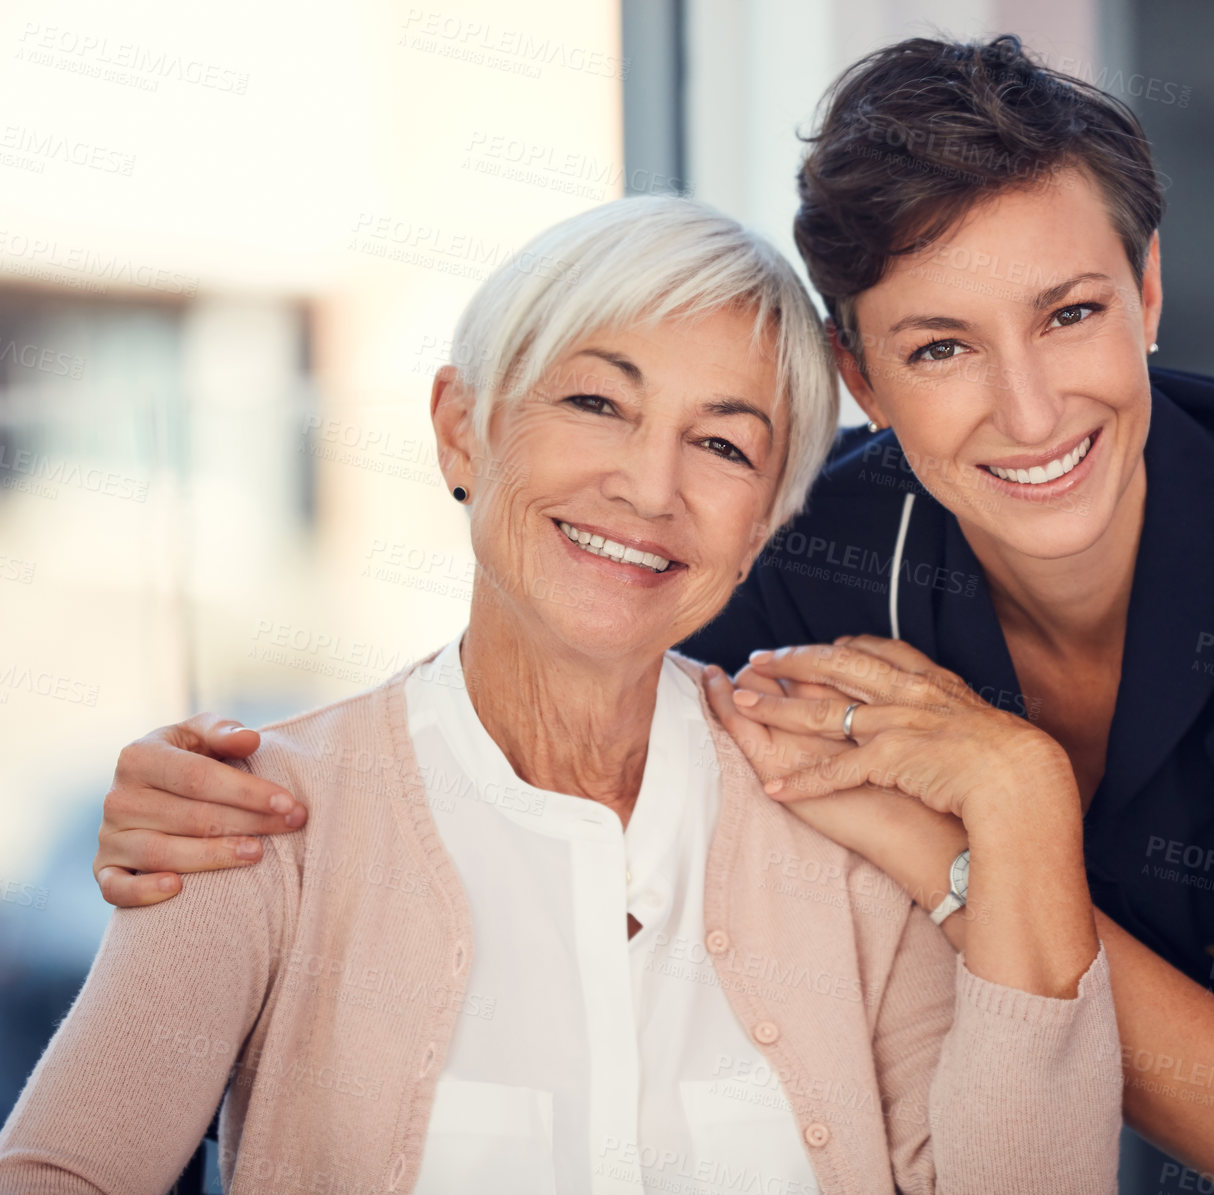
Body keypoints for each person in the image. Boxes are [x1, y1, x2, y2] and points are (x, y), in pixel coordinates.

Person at [78, 33, 1214, 1195]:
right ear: (856, 378)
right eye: (940, 348)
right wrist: (249, 787)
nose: (1028, 404)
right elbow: (572, 617)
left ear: (1152, 295)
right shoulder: (823, 531)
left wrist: (978, 843)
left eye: (1071, 313)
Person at [0, 195, 1122, 1194]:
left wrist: (1020, 799)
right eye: (594, 401)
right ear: (461, 431)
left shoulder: (844, 809)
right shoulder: (260, 822)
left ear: (764, 524)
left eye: (724, 446)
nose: (647, 484)